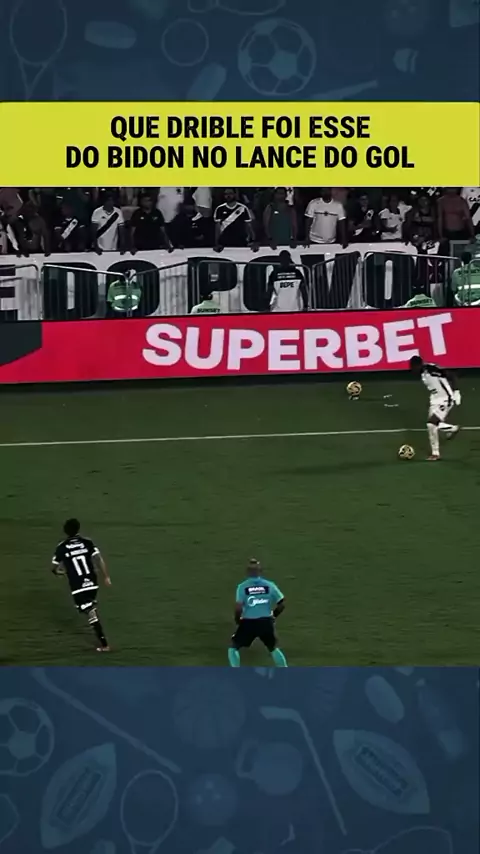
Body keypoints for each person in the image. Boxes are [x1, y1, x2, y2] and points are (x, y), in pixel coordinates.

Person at [51, 518, 111, 652]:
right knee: (88, 607)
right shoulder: (87, 542)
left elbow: (53, 567)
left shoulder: (62, 547)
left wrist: (59, 572)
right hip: (92, 583)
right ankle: (92, 610)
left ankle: (104, 645)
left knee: (89, 611)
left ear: (65, 531)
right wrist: (106, 577)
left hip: (78, 586)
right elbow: (98, 559)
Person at [229, 558, 288, 667]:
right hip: (266, 622)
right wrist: (274, 615)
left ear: (247, 572)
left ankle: (235, 672)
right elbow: (282, 604)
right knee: (273, 648)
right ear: (260, 571)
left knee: (233, 647)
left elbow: (238, 608)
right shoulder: (269, 585)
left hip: (248, 623)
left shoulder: (242, 587)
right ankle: (285, 671)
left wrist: (238, 620)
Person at [409, 356, 461, 461]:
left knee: (431, 424)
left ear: (419, 365)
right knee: (431, 427)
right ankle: (436, 452)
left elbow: (451, 375)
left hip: (445, 399)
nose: (412, 370)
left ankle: (452, 430)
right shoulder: (422, 374)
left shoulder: (431, 369)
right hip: (434, 400)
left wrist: (456, 391)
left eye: (413, 367)